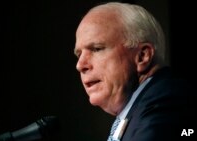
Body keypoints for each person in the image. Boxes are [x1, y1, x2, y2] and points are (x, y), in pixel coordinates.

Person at [74, 2, 196, 141]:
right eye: (79, 54)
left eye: (97, 49)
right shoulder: (136, 111)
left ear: (142, 56)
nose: (80, 65)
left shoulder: (166, 101)